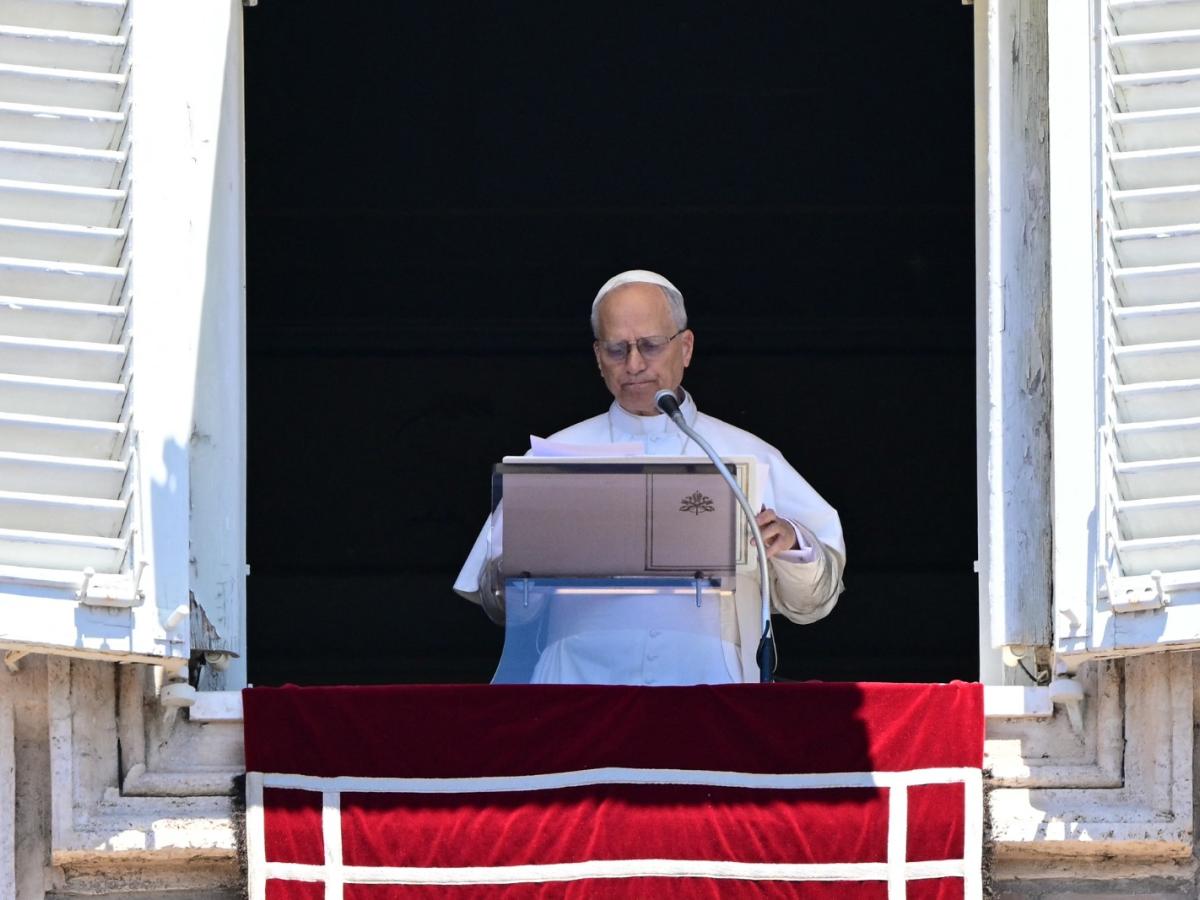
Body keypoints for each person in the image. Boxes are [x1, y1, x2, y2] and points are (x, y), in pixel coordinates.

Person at [455, 270, 845, 684]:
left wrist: (792, 545)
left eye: (651, 345)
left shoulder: (748, 452)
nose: (635, 364)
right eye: (616, 349)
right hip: (576, 684)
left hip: (709, 685)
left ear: (686, 347)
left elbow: (814, 602)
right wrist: (512, 572)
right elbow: (495, 600)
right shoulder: (550, 456)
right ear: (597, 357)